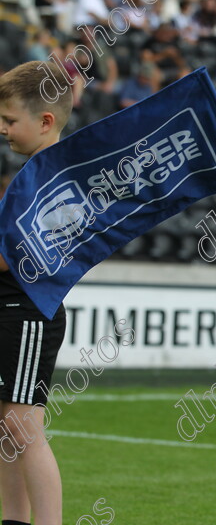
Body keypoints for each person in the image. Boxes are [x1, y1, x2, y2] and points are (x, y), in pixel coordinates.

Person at [0, 61, 75, 525]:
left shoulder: (46, 177)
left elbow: (11, 257)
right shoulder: (38, 172)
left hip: (27, 311)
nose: (2, 128)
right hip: (14, 307)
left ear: (44, 121)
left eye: (9, 120)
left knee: (22, 428)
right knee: (8, 428)